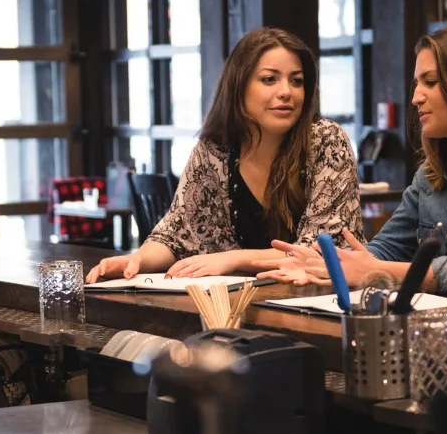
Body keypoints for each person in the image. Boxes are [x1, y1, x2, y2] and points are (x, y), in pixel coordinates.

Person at [254, 26, 447, 296]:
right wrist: (327, 265)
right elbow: (386, 248)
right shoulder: (433, 173)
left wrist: (374, 271)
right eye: (417, 83)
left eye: (431, 82)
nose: (416, 97)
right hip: (441, 328)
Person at [86, 26, 360, 282]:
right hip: (240, 305)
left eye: (296, 81)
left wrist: (231, 259)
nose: (286, 92)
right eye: (269, 79)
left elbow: (322, 251)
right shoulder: (215, 150)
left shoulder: (325, 140)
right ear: (238, 86)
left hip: (320, 302)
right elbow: (175, 235)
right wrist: (136, 260)